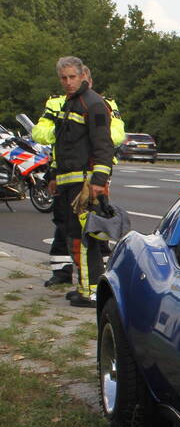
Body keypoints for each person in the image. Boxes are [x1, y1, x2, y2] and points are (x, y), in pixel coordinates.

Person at [34, 66, 124, 289]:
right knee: (70, 230)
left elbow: (110, 138)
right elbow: (48, 138)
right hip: (66, 176)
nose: (68, 82)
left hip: (88, 178)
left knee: (89, 233)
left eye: (73, 77)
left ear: (86, 79)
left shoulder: (97, 103)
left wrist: (99, 179)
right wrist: (54, 173)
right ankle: (80, 282)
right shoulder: (61, 103)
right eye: (64, 78)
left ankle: (94, 286)